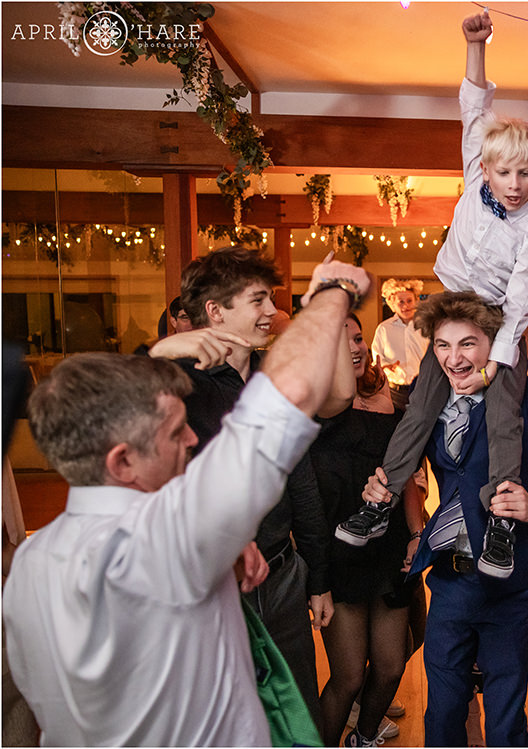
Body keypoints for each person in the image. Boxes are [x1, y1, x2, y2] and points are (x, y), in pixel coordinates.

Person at [2, 256, 370, 745]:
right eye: (175, 433)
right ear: (122, 461)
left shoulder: (31, 562)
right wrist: (333, 290)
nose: (193, 440)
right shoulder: (169, 542)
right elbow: (284, 403)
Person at [337, 10, 528, 582]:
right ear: (488, 167)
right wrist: (475, 46)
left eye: (525, 175)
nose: (513, 185)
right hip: (450, 301)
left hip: (497, 320)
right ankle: (381, 499)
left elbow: (520, 305)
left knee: (504, 416)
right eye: (505, 173)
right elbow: (474, 105)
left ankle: (502, 520)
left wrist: (493, 367)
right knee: (421, 406)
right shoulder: (474, 174)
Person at [361, 290, 528, 747]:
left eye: (467, 344)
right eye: (443, 345)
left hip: (509, 588)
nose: (454, 359)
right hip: (450, 583)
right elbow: (406, 467)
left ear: (495, 346)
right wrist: (383, 492)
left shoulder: (526, 398)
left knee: (503, 725)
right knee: (442, 718)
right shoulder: (427, 397)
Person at [148, 246, 340, 726]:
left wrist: (317, 579)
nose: (272, 311)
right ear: (215, 312)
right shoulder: (176, 385)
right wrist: (159, 352)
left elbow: (302, 483)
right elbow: (107, 409)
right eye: (259, 300)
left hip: (283, 575)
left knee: (299, 713)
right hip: (215, 586)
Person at [310, 314, 425, 746]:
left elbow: (405, 476)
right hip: (340, 551)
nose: (355, 348)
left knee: (392, 665)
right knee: (349, 676)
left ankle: (363, 736)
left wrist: (415, 533)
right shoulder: (313, 406)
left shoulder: (384, 396)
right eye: (342, 342)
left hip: (389, 546)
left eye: (358, 338)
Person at [371, 278, 428, 412]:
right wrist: (386, 366)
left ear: (416, 301)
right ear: (392, 303)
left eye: (409, 301)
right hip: (394, 392)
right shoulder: (384, 329)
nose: (405, 305)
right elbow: (377, 359)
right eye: (400, 301)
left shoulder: (427, 326)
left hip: (423, 390)